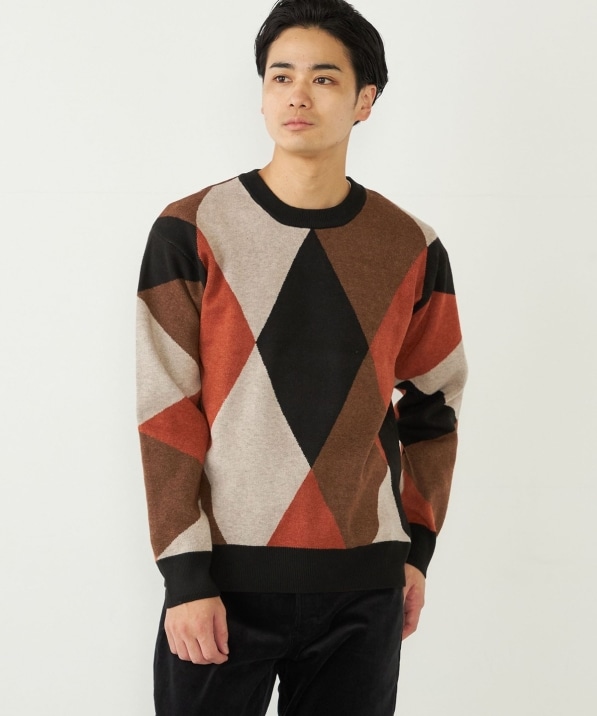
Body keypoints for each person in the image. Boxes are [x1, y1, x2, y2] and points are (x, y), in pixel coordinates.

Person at [136, 1, 467, 714]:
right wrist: (185, 577)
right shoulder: (191, 229)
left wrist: (415, 551)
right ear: (261, 95)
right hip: (222, 584)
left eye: (323, 78)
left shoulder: (411, 244)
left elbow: (434, 404)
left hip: (363, 586)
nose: (297, 95)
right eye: (280, 76)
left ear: (364, 101)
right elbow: (166, 411)